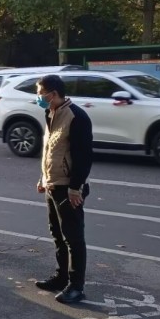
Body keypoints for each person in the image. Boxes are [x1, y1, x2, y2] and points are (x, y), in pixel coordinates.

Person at [34, 74, 93, 304]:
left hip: (69, 188)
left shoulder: (76, 116)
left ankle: (76, 286)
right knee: (57, 235)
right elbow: (51, 150)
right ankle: (61, 277)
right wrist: (43, 177)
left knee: (73, 237)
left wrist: (75, 187)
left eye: (41, 94)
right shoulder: (50, 112)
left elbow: (83, 156)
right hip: (52, 184)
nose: (39, 98)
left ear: (53, 93)